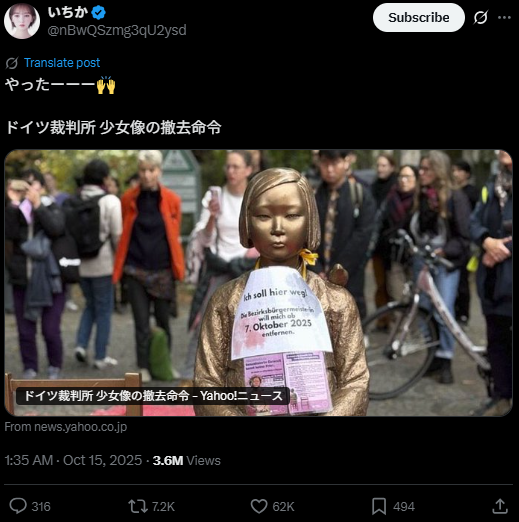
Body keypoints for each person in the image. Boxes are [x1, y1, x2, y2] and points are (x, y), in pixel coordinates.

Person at [194, 168, 369, 416]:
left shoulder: (335, 301)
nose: (277, 227)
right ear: (247, 222)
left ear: (310, 221)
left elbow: (356, 381)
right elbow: (206, 383)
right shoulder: (227, 301)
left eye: (292, 215)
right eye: (264, 216)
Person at [180, 150, 257, 385]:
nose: (231, 171)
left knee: (249, 326)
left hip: (246, 268)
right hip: (219, 266)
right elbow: (203, 239)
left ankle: (247, 380)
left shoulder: (255, 197)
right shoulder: (216, 196)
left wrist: (250, 256)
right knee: (205, 322)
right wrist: (213, 216)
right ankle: (189, 377)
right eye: (228, 167)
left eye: (236, 167)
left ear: (248, 170)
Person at [113, 150, 185, 383]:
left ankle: (164, 363)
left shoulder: (172, 199)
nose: (146, 175)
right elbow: (125, 230)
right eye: (143, 170)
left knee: (164, 321)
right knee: (141, 322)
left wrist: (178, 267)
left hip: (163, 270)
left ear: (159, 171)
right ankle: (142, 366)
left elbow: (174, 233)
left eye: (151, 170)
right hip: (135, 269)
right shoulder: (128, 199)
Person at [410, 151, 471, 384]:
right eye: (421, 168)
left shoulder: (455, 198)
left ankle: (446, 359)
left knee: (443, 311)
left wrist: (444, 251)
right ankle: (432, 357)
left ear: (439, 170)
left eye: (426, 169)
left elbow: (464, 237)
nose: (421, 173)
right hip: (422, 261)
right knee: (424, 310)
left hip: (445, 264)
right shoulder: (422, 195)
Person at [5, 169, 66, 379]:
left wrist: (38, 205)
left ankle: (55, 365)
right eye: (25, 184)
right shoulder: (15, 210)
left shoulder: (52, 206)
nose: (29, 188)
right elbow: (9, 234)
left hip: (50, 279)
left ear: (42, 186)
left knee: (50, 328)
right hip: (22, 277)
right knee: (25, 329)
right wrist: (14, 203)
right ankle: (29, 367)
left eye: (33, 184)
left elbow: (56, 229)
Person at [470, 150, 512, 416]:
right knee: (497, 340)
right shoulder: (492, 184)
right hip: (493, 281)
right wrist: (487, 241)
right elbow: (474, 220)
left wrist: (502, 249)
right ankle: (501, 397)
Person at [312, 149, 376, 319]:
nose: (330, 169)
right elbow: (305, 234)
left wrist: (338, 270)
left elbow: (362, 236)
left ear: (346, 162)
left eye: (335, 163)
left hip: (349, 275)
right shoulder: (313, 195)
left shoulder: (360, 195)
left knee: (349, 321)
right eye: (325, 164)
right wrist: (316, 268)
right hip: (317, 276)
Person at [73, 159, 122, 369]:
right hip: (103, 264)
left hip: (80, 265)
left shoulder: (76, 199)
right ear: (105, 178)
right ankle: (100, 356)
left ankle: (81, 345)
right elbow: (117, 235)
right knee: (104, 310)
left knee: (89, 305)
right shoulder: (110, 201)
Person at [376, 165, 418, 302]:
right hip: (394, 255)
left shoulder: (421, 200)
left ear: (416, 179)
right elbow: (379, 223)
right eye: (401, 176)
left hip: (415, 256)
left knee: (416, 298)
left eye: (408, 177)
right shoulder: (390, 198)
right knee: (396, 296)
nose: (404, 180)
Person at [370, 153, 399, 318]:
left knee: (394, 285)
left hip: (394, 246)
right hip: (378, 245)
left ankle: (396, 319)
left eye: (384, 165)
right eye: (378, 166)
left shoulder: (397, 187)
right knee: (380, 284)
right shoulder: (373, 187)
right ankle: (383, 320)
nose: (380, 169)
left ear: (392, 167)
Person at [452, 160, 479, 325]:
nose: (455, 174)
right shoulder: (451, 192)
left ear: (467, 174)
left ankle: (463, 314)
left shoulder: (473, 193)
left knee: (463, 281)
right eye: (453, 170)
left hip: (467, 243)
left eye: (459, 170)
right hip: (453, 242)